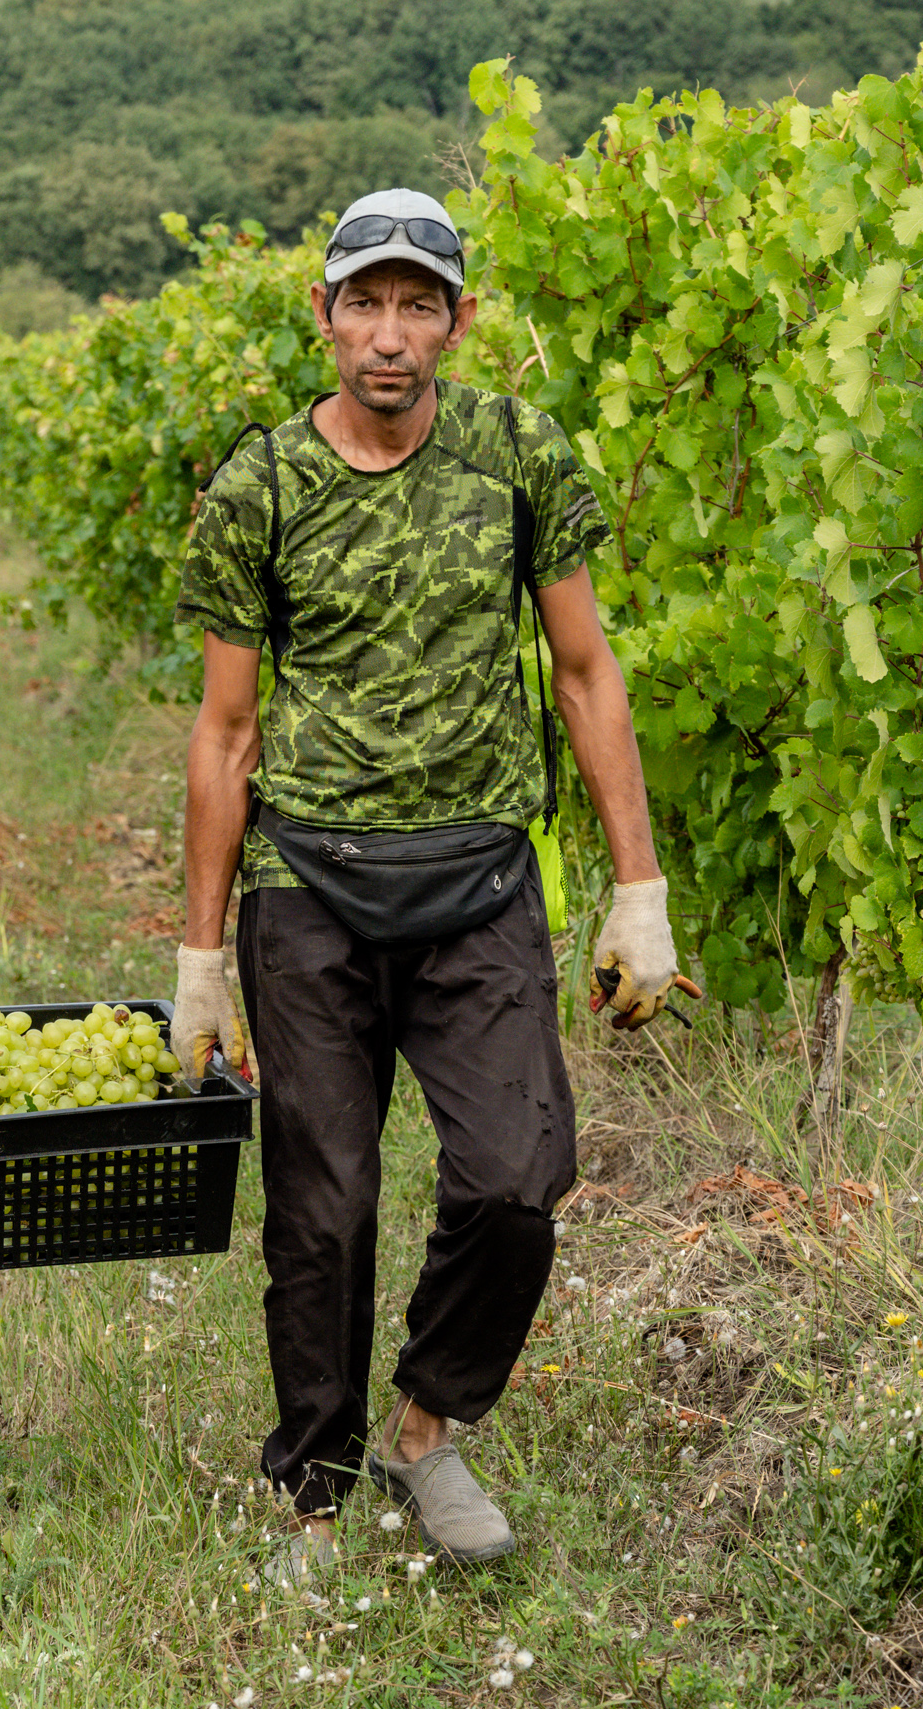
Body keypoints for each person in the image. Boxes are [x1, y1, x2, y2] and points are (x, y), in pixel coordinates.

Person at [168, 189, 690, 1580]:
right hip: (311, 885)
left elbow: (584, 670)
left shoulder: (518, 454)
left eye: (419, 305)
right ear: (325, 316)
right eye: (365, 303)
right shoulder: (261, 486)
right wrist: (199, 959)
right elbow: (225, 731)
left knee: (519, 1181)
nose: (389, 335)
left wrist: (640, 887)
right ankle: (313, 1490)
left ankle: (422, 1424)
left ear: (460, 322)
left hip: (479, 881)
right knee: (322, 1207)